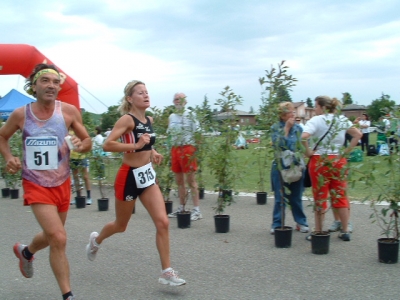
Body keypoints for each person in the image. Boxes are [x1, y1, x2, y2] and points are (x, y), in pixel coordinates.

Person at [0, 63, 91, 300]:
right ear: (34, 85)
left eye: (55, 82)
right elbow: (2, 135)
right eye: (45, 81)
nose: (51, 85)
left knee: (53, 235)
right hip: (35, 183)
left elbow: (87, 140)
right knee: (59, 238)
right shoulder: (21, 114)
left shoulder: (69, 111)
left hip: (61, 183)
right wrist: (9, 156)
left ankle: (26, 252)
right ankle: (68, 295)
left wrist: (83, 145)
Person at [85, 80, 186, 286]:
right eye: (140, 93)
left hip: (147, 176)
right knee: (120, 225)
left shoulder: (149, 119)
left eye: (147, 92)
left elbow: (145, 145)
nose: (146, 95)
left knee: (163, 222)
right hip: (128, 177)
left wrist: (153, 152)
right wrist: (136, 144)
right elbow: (108, 144)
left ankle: (166, 272)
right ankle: (96, 241)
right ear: (130, 99)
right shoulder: (127, 120)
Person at [301, 96, 362, 242]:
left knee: (320, 195)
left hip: (320, 160)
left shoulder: (316, 120)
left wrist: (308, 151)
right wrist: (345, 152)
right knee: (340, 194)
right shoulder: (341, 119)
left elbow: (303, 137)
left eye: (316, 107)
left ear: (322, 107)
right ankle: (345, 230)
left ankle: (319, 230)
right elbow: (358, 134)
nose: (315, 110)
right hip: (338, 159)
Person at [270, 102, 309, 234]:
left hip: (296, 166)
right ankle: (277, 224)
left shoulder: (299, 128)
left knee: (296, 197)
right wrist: (286, 129)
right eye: (289, 112)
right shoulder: (276, 128)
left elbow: (302, 146)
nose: (292, 115)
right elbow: (278, 145)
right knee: (280, 197)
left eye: (293, 112)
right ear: (282, 115)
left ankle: (301, 222)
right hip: (280, 166)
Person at [167, 93, 202, 221]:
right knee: (179, 181)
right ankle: (182, 207)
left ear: (185, 101)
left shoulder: (191, 115)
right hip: (175, 148)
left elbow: (197, 133)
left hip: (188, 148)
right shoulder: (172, 116)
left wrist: (196, 152)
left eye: (180, 99)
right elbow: (170, 134)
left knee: (191, 180)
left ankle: (197, 210)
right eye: (176, 99)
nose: (178, 101)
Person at [70, 131, 92, 205]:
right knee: (76, 177)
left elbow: (87, 141)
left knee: (85, 177)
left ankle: (89, 197)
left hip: (82, 156)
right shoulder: (67, 131)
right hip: (73, 157)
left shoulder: (79, 130)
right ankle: (78, 196)